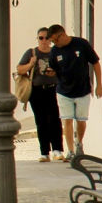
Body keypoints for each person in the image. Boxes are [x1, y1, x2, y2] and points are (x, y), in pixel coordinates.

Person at [44, 23, 102, 159]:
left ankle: (79, 143)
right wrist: (51, 73)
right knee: (67, 120)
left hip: (82, 89)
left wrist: (99, 84)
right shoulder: (55, 52)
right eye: (52, 41)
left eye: (55, 40)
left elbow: (95, 63)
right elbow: (54, 68)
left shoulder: (81, 44)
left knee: (81, 120)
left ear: (62, 35)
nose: (54, 44)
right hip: (64, 90)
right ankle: (70, 151)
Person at [17, 27, 65, 162]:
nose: (44, 41)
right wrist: (31, 64)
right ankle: (44, 152)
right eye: (41, 38)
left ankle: (57, 150)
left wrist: (55, 73)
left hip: (53, 89)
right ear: (37, 39)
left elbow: (64, 68)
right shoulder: (32, 53)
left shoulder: (56, 52)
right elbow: (19, 69)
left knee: (54, 119)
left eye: (46, 38)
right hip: (37, 90)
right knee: (41, 121)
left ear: (51, 39)